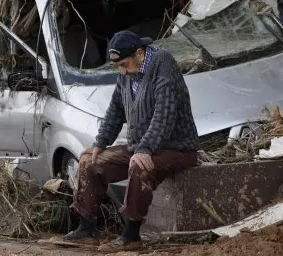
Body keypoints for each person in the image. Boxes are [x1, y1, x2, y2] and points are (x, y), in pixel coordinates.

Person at [63, 30, 200, 252]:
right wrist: (100, 143)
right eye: (118, 66)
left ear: (139, 53)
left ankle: (131, 235)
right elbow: (115, 110)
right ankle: (86, 229)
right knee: (90, 162)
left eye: (124, 64)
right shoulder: (126, 74)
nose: (121, 71)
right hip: (141, 146)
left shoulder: (163, 63)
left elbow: (165, 113)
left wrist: (146, 148)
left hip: (176, 148)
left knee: (139, 166)